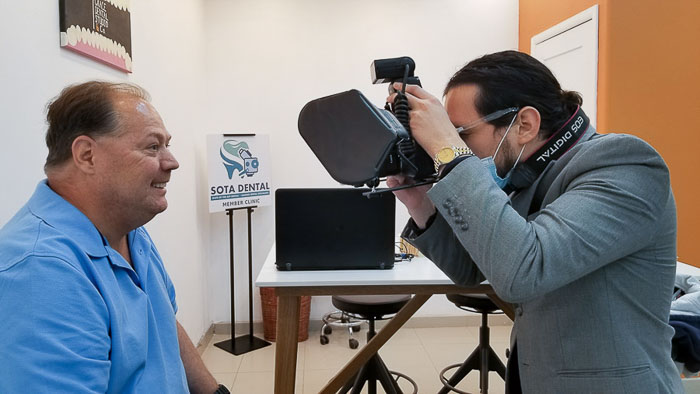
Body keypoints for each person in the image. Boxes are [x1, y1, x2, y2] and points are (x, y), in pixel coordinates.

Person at [388, 51, 682, 393]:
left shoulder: (623, 164)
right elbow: (472, 269)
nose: (454, 147)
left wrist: (450, 152)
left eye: (462, 135)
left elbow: (524, 272)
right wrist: (419, 199)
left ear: (525, 124)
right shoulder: (529, 176)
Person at [0, 81, 228, 394]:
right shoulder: (41, 272)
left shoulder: (131, 231)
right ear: (87, 155)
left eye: (167, 145)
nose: (172, 162)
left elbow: (163, 327)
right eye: (152, 146)